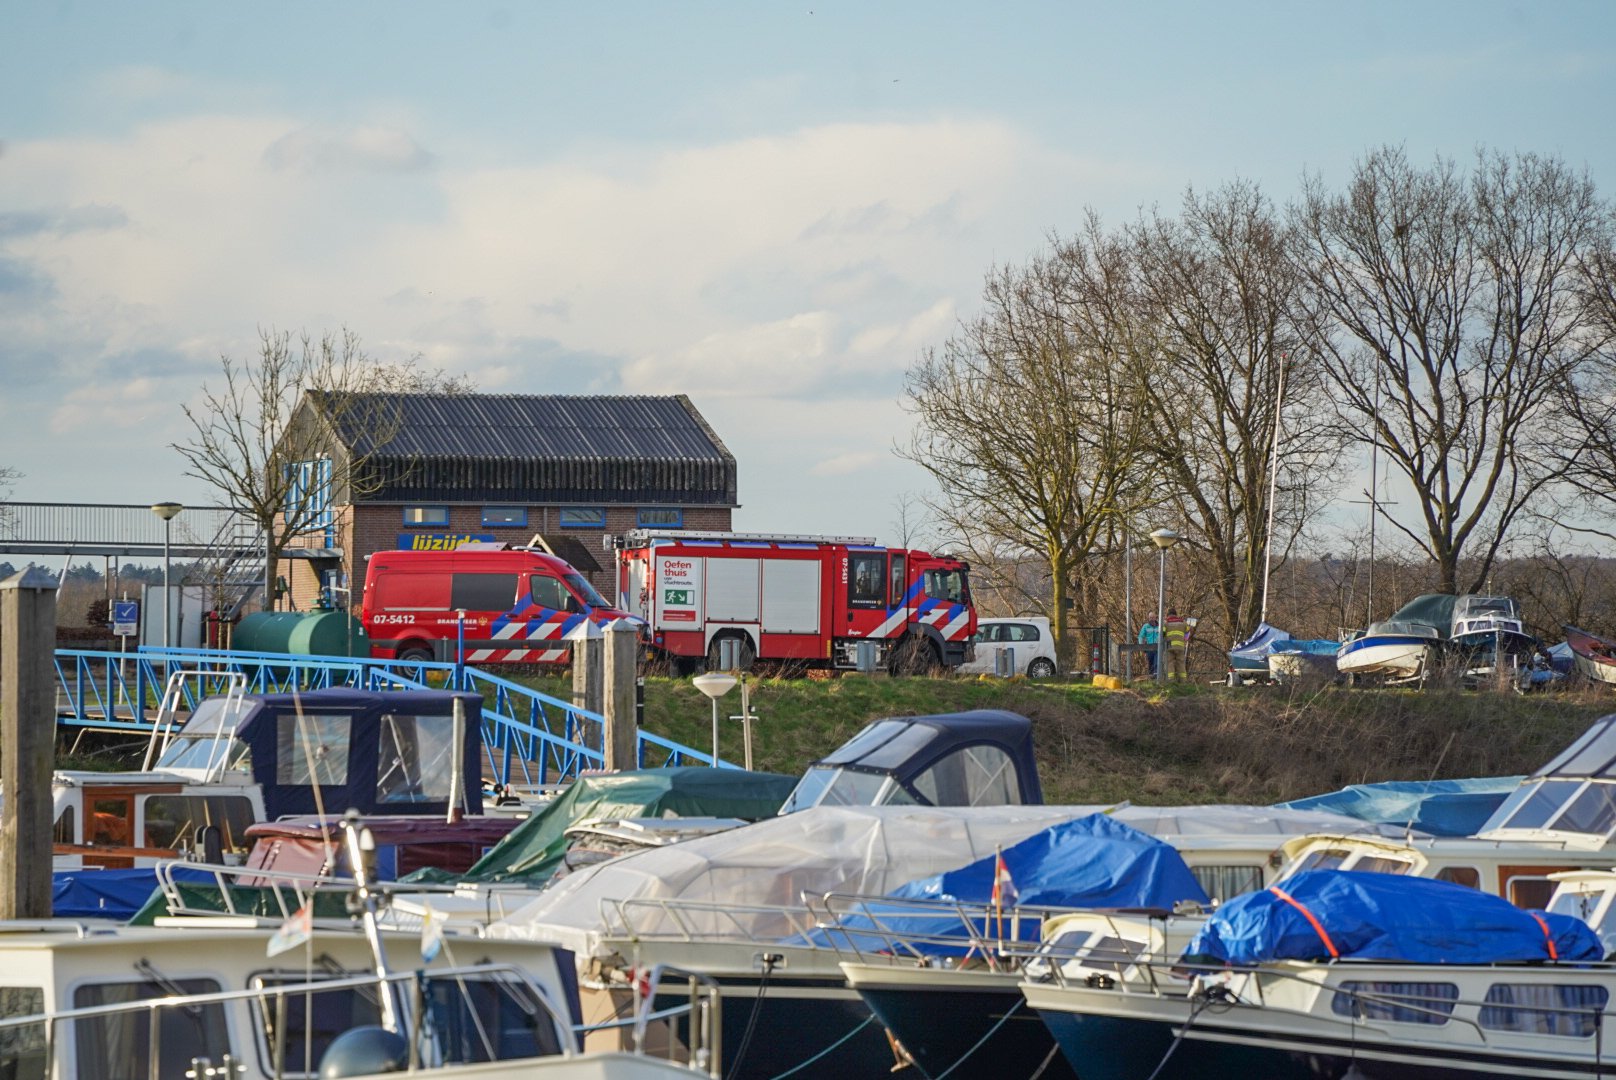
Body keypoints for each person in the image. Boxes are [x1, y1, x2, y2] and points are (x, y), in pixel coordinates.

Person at [1164, 608, 1194, 680]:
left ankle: (1171, 681)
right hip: (1180, 646)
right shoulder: (1183, 622)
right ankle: (1183, 681)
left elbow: (1162, 633)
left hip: (1169, 646)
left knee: (1169, 663)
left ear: (1168, 615)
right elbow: (1189, 631)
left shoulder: (1166, 622)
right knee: (1181, 664)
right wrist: (1185, 638)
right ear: (1176, 614)